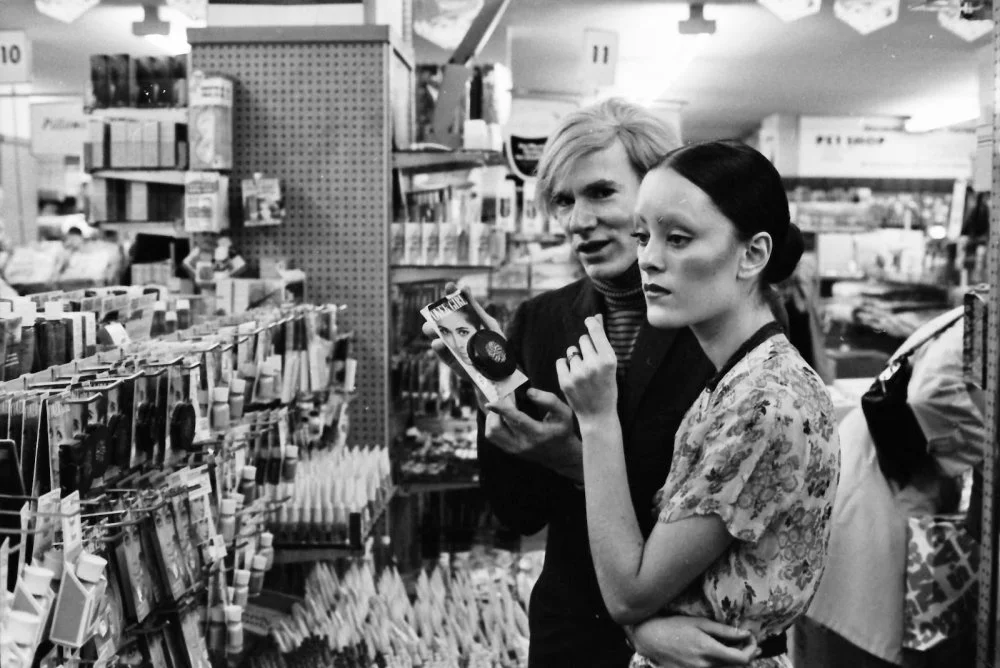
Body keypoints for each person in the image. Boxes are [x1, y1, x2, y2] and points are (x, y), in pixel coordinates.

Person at [426, 100, 762, 667]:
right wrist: (492, 391)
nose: (578, 220)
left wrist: (571, 459)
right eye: (563, 200)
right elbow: (519, 513)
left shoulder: (719, 329)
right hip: (570, 631)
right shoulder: (541, 320)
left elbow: (714, 504)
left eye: (601, 192)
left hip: (692, 634)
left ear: (659, 195)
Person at [557, 140, 841, 668]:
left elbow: (628, 593)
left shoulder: (763, 401)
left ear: (752, 254)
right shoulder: (741, 376)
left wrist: (597, 420)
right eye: (644, 236)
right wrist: (647, 633)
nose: (648, 259)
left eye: (678, 238)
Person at [794, 306, 983, 668]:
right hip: (883, 488)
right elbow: (932, 391)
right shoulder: (986, 313)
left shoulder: (970, 313)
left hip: (875, 479)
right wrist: (984, 454)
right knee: (864, 623)